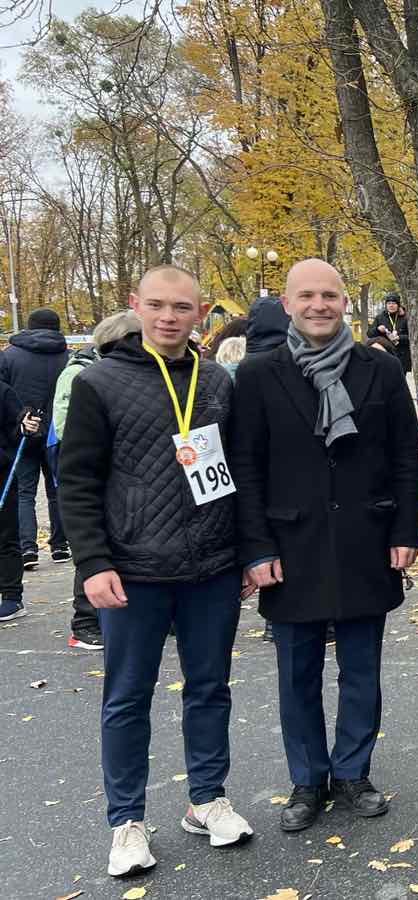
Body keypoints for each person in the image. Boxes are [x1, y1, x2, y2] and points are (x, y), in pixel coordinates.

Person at [58, 265, 255, 876]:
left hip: (212, 567)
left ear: (202, 314)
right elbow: (78, 480)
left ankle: (206, 799)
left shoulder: (219, 380)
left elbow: (243, 473)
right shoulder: (101, 382)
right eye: (158, 306)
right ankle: (126, 822)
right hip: (134, 570)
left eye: (183, 308)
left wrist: (249, 552)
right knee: (126, 697)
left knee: (209, 689)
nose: (170, 317)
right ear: (135, 305)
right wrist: (93, 563)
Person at [230, 259, 418, 832]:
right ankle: (308, 780)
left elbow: (406, 458)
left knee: (362, 669)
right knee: (298, 672)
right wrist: (256, 548)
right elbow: (247, 466)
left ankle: (353, 772)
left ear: (346, 302)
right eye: (307, 295)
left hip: (367, 538)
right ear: (288, 303)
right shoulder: (258, 375)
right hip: (291, 545)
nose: (319, 305)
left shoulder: (380, 371)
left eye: (330, 295)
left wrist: (406, 531)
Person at [51, 310, 142, 648]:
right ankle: (86, 620)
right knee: (94, 542)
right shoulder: (83, 376)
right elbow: (64, 425)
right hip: (99, 473)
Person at [0, 307, 71, 569]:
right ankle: (60, 545)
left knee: (25, 492)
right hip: (58, 433)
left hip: (23, 431)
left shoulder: (9, 357)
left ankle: (27, 548)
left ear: (29, 326)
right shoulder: (68, 357)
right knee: (57, 490)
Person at [0, 380, 36, 624]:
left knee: (5, 534)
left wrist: (25, 425)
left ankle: (12, 597)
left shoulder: (3, 390)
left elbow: (19, 424)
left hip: (1, 472)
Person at [370, 292, 412, 374]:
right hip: (385, 356)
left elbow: (413, 337)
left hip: (402, 357)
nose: (391, 306)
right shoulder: (380, 317)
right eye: (389, 303)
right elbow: (369, 334)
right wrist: (378, 329)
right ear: (386, 305)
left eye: (394, 303)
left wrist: (399, 337)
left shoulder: (406, 317)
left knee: (399, 383)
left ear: (398, 305)